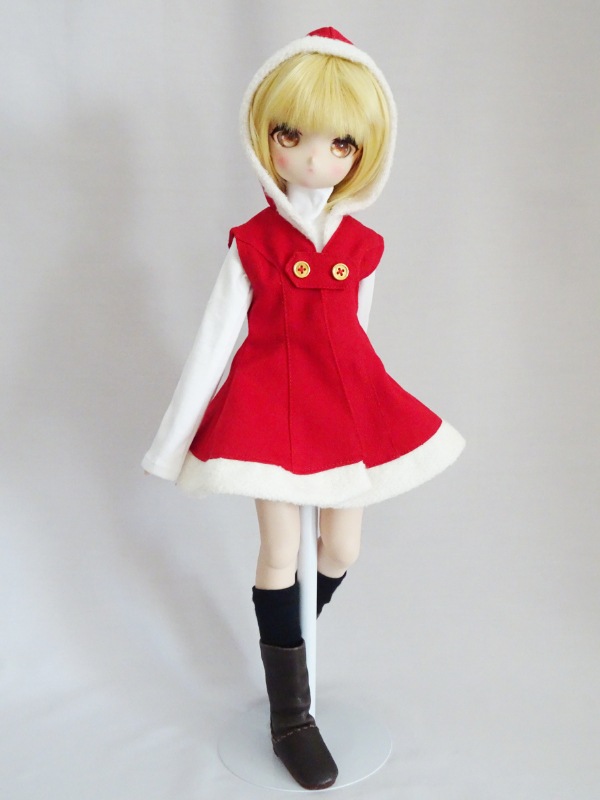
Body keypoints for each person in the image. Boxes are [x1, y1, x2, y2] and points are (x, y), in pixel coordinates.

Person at [142, 27, 465, 791]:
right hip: (269, 410)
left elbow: (359, 335)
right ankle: (290, 713)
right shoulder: (252, 242)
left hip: (345, 408)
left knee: (342, 548)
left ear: (364, 152)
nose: (316, 159)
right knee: (280, 549)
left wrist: (369, 407)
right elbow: (213, 342)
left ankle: (286, 639)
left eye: (340, 143)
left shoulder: (364, 245)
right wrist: (175, 442)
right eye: (293, 136)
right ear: (267, 138)